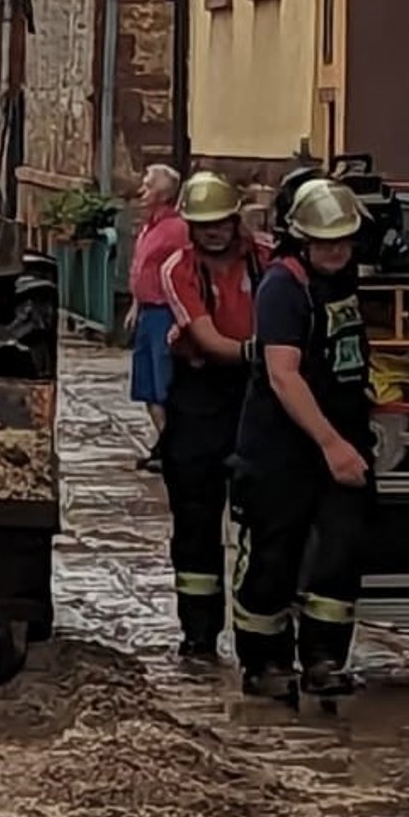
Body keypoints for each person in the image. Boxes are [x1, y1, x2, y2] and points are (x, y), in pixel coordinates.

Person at [229, 178, 375, 701]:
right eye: (325, 241)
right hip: (281, 449)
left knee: (340, 550)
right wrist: (331, 445)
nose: (336, 250)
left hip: (344, 436)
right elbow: (284, 375)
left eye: (344, 240)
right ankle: (264, 661)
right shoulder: (282, 288)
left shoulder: (347, 281)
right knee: (273, 554)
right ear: (301, 239)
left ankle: (324, 658)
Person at [156, 170, 267, 660]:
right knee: (196, 515)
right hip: (202, 394)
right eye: (203, 225)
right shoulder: (178, 268)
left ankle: (261, 633)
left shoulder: (267, 260)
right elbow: (207, 339)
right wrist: (264, 352)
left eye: (220, 222)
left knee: (266, 513)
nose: (213, 232)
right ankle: (198, 633)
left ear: (235, 219)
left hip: (259, 390)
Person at [127, 164, 186, 471]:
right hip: (148, 311)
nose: (141, 191)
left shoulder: (177, 230)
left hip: (165, 313)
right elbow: (142, 268)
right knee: (147, 385)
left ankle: (172, 447)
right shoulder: (150, 225)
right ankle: (165, 443)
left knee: (165, 384)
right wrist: (135, 304)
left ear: (163, 195)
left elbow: (183, 273)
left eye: (148, 186)